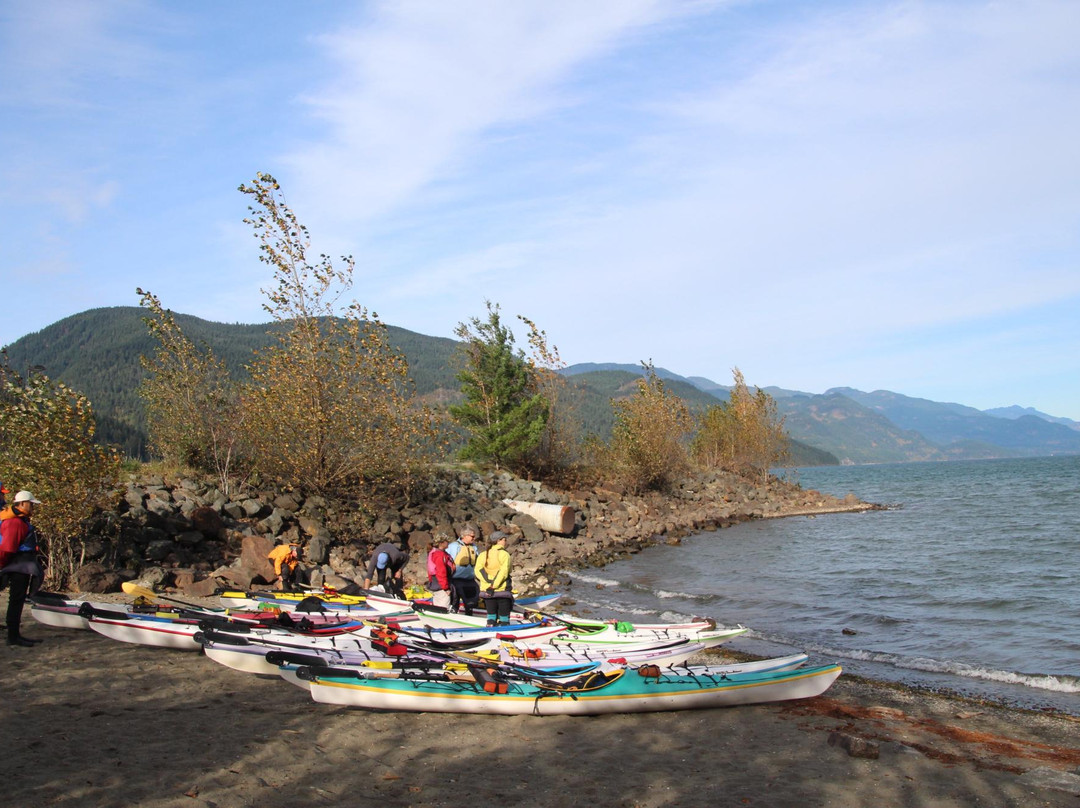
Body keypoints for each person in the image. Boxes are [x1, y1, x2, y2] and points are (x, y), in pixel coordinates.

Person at [1, 490, 46, 647]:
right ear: (21, 504)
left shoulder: (20, 521)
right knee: (16, 600)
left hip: (20, 565)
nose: (33, 507)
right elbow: (7, 548)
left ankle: (15, 635)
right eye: (31, 504)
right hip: (18, 566)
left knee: (17, 600)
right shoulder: (15, 523)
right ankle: (13, 637)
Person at [474, 531, 513, 626]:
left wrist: (489, 582)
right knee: (504, 618)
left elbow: (478, 571)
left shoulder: (483, 554)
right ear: (498, 540)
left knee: (491, 616)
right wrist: (493, 585)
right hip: (501, 590)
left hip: (487, 592)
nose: (505, 542)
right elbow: (504, 572)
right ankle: (504, 630)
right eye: (504, 540)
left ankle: (490, 629)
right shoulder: (504, 554)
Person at [446, 524, 479, 614]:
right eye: (472, 536)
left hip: (470, 580)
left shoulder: (474, 547)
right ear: (464, 536)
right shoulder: (453, 546)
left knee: (471, 603)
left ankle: (469, 615)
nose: (474, 538)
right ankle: (453, 615)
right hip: (456, 580)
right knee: (455, 602)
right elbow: (448, 562)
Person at [425, 534, 456, 610]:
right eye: (446, 541)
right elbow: (441, 573)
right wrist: (446, 588)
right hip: (441, 588)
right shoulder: (439, 555)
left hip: (438, 585)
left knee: (438, 607)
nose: (448, 542)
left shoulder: (439, 553)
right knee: (443, 608)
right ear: (441, 543)